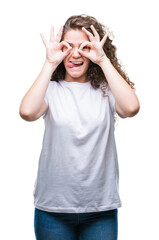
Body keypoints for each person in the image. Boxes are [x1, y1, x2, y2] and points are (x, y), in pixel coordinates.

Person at [19, 14, 140, 240]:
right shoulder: (51, 89)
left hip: (100, 209)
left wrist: (103, 60)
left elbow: (131, 108)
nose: (75, 54)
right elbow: (27, 112)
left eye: (84, 47)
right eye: (68, 47)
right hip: (53, 209)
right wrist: (50, 62)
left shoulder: (106, 90)